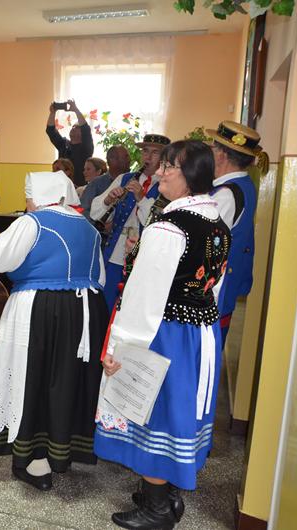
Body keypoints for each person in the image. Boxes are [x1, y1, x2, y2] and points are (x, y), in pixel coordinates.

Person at [94, 140, 231, 529]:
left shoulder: (169, 229)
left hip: (165, 331)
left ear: (191, 177)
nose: (160, 173)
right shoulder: (217, 225)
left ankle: (156, 509)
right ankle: (166, 496)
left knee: (157, 412)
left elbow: (142, 298)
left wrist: (118, 347)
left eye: (169, 167)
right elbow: (213, 286)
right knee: (179, 410)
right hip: (199, 334)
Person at [0, 171, 107, 491]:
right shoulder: (89, 227)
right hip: (84, 313)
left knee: (31, 378)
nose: (27, 203)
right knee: (64, 380)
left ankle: (32, 459)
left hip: (40, 309)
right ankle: (60, 449)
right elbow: (100, 276)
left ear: (40, 196)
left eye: (28, 196)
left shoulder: (34, 222)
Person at [90, 134, 169, 310]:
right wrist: (109, 200)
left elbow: (158, 221)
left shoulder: (167, 185)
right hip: (116, 252)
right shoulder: (125, 178)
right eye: (145, 151)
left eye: (155, 153)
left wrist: (141, 198)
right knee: (106, 304)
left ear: (165, 158)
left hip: (145, 257)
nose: (148, 157)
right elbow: (95, 211)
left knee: (132, 306)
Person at [207, 121, 260, 342]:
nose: (210, 151)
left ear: (222, 155)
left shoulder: (226, 195)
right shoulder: (241, 184)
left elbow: (202, 241)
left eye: (213, 147)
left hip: (213, 294)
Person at [45, 99, 94, 186]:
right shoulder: (64, 144)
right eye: (73, 127)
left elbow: (86, 129)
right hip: (61, 186)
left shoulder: (86, 147)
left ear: (82, 133)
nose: (73, 128)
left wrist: (75, 110)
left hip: (79, 188)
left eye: (77, 127)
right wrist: (52, 113)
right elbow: (50, 131)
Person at [80, 146, 130, 222]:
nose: (129, 160)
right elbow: (83, 211)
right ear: (112, 160)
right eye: (125, 157)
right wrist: (100, 225)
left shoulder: (133, 181)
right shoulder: (96, 184)